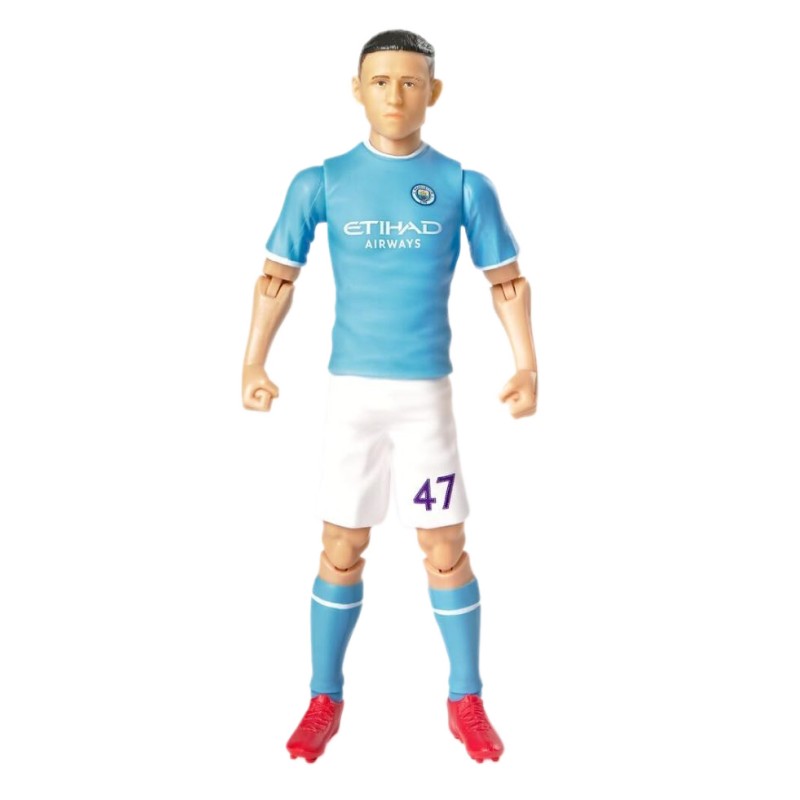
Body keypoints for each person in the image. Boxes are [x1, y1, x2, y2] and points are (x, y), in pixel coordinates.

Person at [242, 29, 538, 763]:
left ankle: (466, 698)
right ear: (357, 89)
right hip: (352, 399)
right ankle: (324, 697)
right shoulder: (321, 182)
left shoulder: (464, 185)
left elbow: (506, 281)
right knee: (340, 546)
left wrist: (527, 364)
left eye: (410, 82)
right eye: (380, 81)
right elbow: (277, 275)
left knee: (445, 547)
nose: (395, 95)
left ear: (433, 92)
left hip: (425, 399)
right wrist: (253, 361)